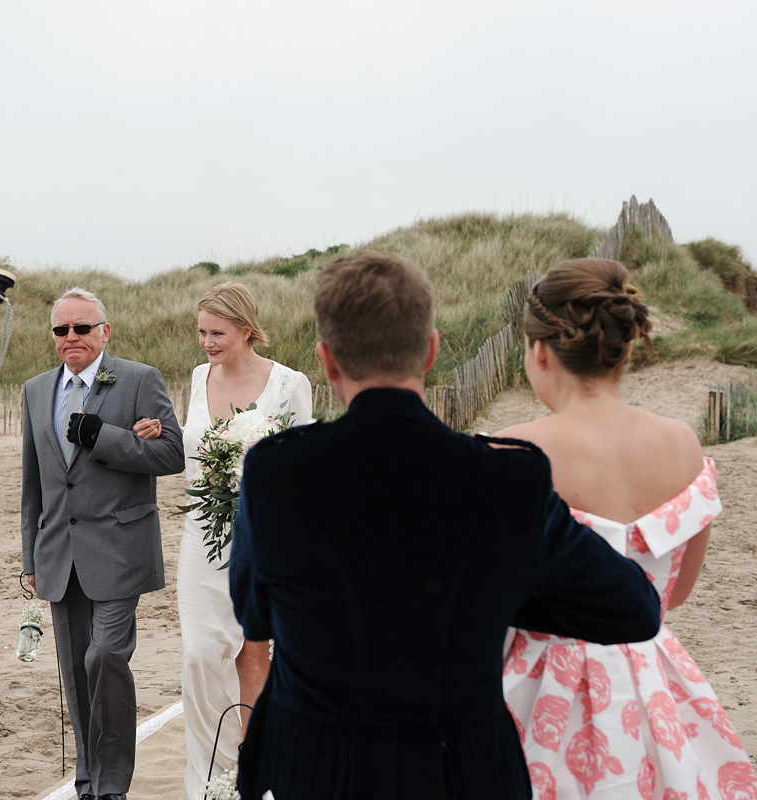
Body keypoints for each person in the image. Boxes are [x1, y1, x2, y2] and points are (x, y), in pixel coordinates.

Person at [228, 251, 664, 800]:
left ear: (326, 359)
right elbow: (633, 609)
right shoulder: (506, 479)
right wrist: (499, 588)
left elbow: (254, 610)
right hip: (461, 771)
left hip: (316, 767)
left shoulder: (276, 471)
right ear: (431, 349)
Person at [497, 258, 757, 797]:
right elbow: (676, 593)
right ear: (625, 346)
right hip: (650, 683)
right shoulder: (683, 442)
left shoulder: (512, 450)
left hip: (537, 688)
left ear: (539, 350)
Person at [20, 287, 184, 800]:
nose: (71, 337)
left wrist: (103, 435)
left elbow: (172, 453)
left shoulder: (139, 380)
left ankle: (111, 785)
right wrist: (29, 556)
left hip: (120, 551)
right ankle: (89, 782)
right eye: (61, 330)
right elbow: (33, 486)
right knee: (75, 673)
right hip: (59, 557)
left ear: (104, 332)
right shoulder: (34, 389)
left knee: (104, 657)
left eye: (82, 328)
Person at [176, 282, 312, 799]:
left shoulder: (289, 383)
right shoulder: (197, 377)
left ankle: (257, 776)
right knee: (200, 655)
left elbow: (301, 466)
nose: (207, 343)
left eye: (218, 333)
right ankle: (211, 775)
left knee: (253, 659)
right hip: (202, 535)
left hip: (266, 537)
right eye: (202, 333)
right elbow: (191, 451)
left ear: (247, 329)